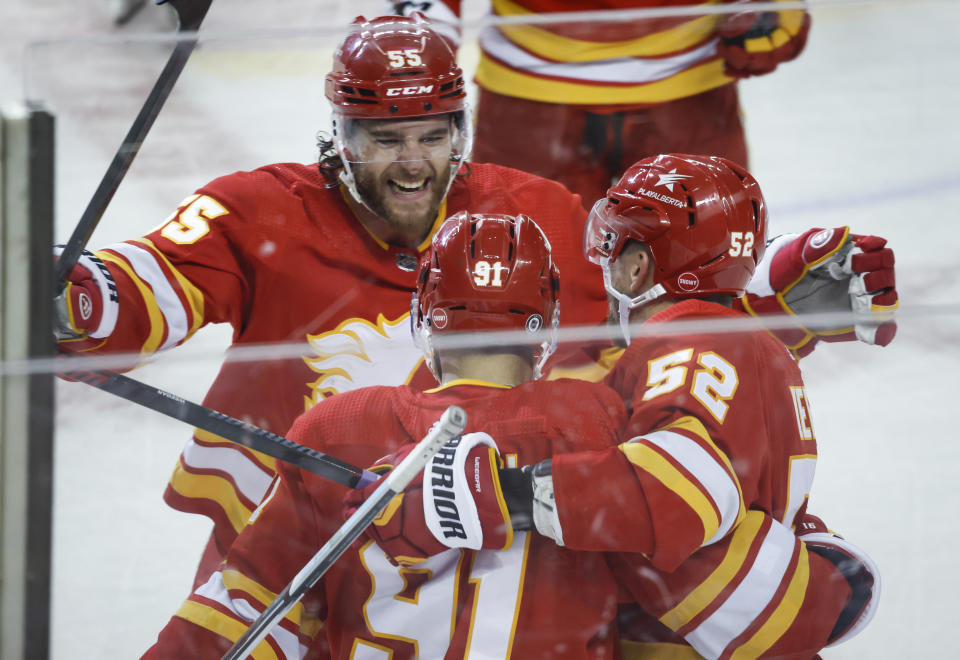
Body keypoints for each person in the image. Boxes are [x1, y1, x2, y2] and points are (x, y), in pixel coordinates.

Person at [54, 15, 895, 591]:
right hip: (294, 544)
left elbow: (635, 359)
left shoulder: (541, 211)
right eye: (385, 141)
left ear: (463, 128)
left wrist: (767, 318)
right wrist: (73, 300)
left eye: (434, 136)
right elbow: (148, 285)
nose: (413, 165)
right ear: (339, 138)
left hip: (482, 547)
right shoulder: (260, 209)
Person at [144, 212, 874, 660]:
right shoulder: (601, 425)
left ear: (424, 321)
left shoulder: (338, 427)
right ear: (548, 329)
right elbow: (753, 603)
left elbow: (246, 604)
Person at [351, 156, 880, 659]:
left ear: (639, 268)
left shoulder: (688, 340)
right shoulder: (750, 344)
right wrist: (828, 580)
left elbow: (678, 489)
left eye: (615, 248)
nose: (605, 269)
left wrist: (498, 494)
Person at [388, 0, 811, 202]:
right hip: (534, 97)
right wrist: (423, 38)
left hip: (689, 91)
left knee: (701, 262)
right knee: (522, 266)